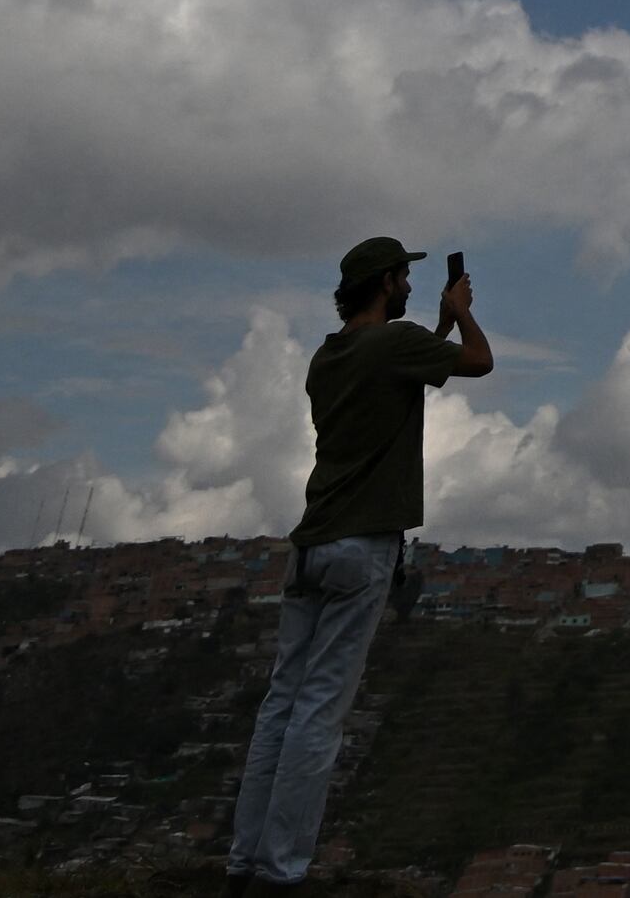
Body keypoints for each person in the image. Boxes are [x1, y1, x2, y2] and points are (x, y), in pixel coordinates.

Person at [227, 233, 492, 888]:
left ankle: (244, 861)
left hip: (311, 544)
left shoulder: (330, 355)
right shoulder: (395, 346)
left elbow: (401, 372)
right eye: (403, 276)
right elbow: (479, 361)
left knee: (280, 707)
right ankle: (282, 871)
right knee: (320, 713)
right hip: (363, 546)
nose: (407, 285)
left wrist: (435, 324)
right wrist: (459, 314)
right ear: (385, 281)